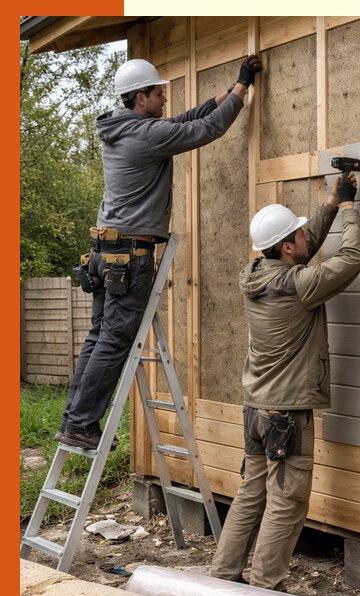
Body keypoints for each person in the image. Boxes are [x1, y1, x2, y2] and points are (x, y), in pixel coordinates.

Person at [58, 55, 262, 450]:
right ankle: (82, 423)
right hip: (129, 256)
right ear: (140, 98)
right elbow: (204, 129)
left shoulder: (124, 128)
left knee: (100, 335)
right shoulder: (145, 136)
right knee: (115, 340)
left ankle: (74, 419)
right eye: (158, 93)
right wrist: (240, 91)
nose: (165, 98)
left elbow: (183, 119)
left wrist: (225, 92)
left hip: (105, 250)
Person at [210, 171, 360, 590]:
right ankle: (267, 587)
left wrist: (331, 204)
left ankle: (223, 576)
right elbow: (351, 259)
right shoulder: (298, 286)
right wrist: (351, 210)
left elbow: (303, 247)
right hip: (287, 414)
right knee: (287, 501)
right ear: (285, 246)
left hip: (257, 407)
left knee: (251, 494)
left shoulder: (258, 273)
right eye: (296, 234)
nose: (304, 238)